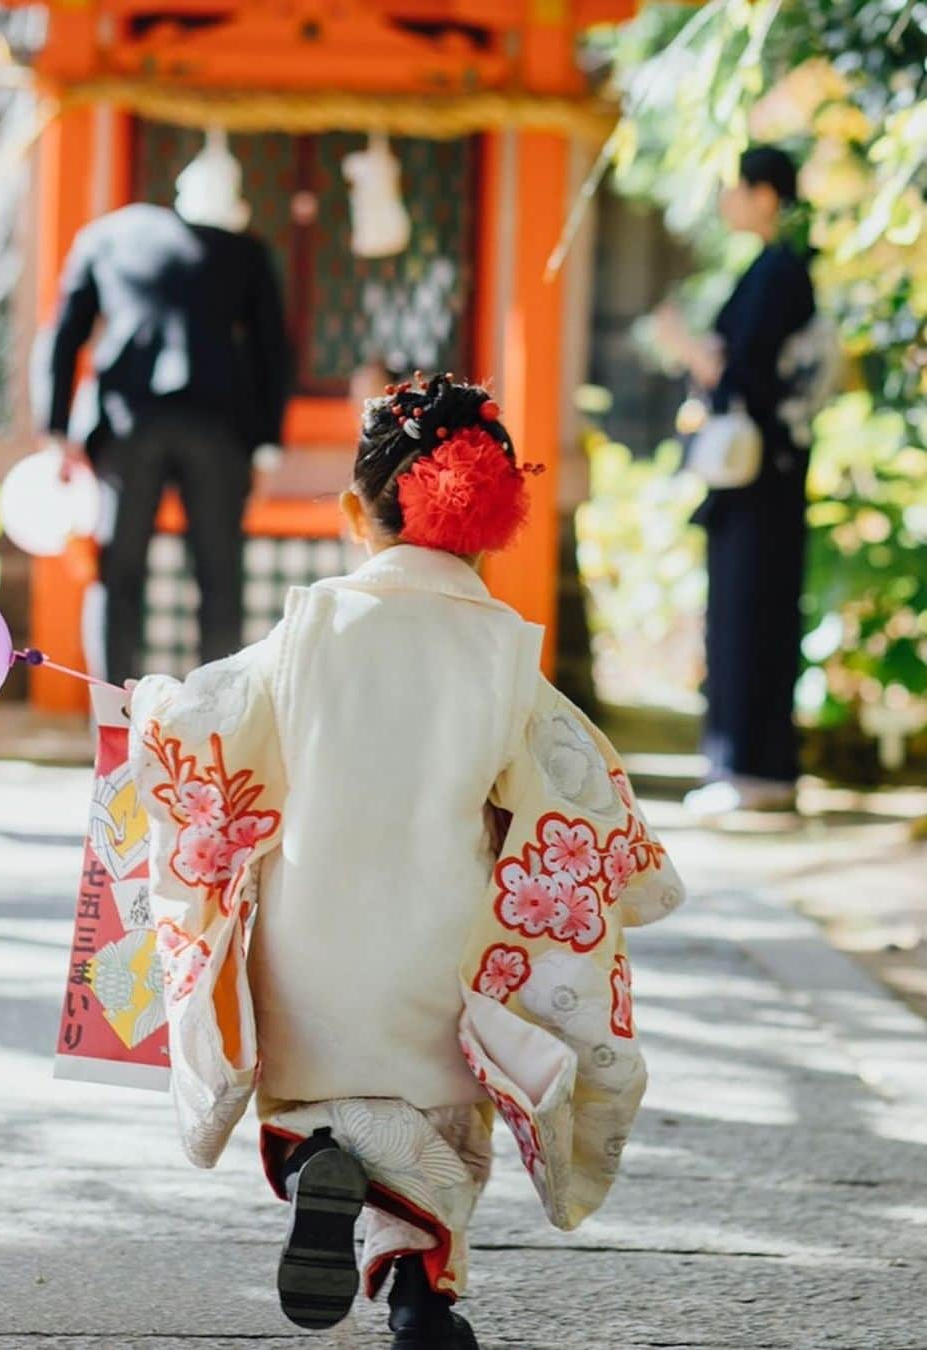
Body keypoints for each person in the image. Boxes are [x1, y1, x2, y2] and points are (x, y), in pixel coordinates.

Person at [127, 374, 685, 1347]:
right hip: (438, 964)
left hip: (309, 964)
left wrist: (147, 709)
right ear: (489, 526)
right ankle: (423, 1301)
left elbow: (204, 730)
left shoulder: (309, 630)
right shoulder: (506, 655)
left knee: (312, 1104)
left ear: (356, 512)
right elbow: (577, 788)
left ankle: (312, 1166)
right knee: (439, 1138)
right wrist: (639, 873)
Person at [45, 149, 289, 685]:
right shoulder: (244, 252)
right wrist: (268, 445)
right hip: (219, 428)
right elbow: (273, 351)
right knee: (220, 575)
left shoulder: (106, 237)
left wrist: (57, 430)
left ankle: (111, 721)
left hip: (126, 421)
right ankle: (214, 722)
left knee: (117, 575)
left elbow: (64, 336)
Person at [655, 146, 816, 816]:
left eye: (734, 189)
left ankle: (749, 768)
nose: (726, 202)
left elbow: (748, 374)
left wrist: (687, 345)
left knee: (751, 608)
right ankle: (756, 767)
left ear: (765, 195)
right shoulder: (776, 269)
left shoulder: (781, 272)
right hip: (759, 473)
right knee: (752, 605)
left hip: (762, 471)